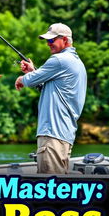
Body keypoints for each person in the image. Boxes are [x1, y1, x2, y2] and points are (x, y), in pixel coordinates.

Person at [15, 23, 87, 174]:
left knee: (49, 188)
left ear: (65, 40)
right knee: (59, 186)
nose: (49, 44)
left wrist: (22, 78)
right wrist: (33, 72)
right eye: (47, 41)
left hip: (52, 134)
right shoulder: (77, 63)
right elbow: (47, 85)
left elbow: (28, 81)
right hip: (64, 135)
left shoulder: (59, 60)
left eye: (52, 40)